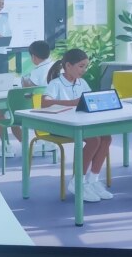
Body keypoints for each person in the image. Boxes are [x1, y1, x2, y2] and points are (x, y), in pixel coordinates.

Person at [43, 48, 113, 202]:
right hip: (61, 127)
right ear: (68, 66)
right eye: (81, 66)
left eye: (86, 66)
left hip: (81, 124)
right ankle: (77, 182)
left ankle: (92, 181)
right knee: (94, 140)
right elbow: (45, 102)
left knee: (106, 138)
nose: (84, 70)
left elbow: (90, 99)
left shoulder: (82, 83)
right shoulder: (56, 83)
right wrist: (71, 103)